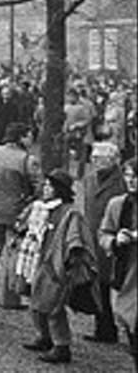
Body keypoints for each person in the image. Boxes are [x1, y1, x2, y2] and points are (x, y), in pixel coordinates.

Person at [19, 169, 96, 364]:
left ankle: (62, 346)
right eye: (44, 185)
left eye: (50, 186)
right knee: (36, 301)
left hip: (55, 265)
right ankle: (43, 336)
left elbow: (75, 238)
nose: (45, 188)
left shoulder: (70, 212)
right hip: (36, 260)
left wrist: (71, 262)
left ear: (59, 189)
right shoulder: (39, 207)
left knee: (53, 305)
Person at [0, 122, 41, 308]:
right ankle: (10, 298)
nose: (31, 138)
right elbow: (38, 187)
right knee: (13, 253)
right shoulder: (27, 160)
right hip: (16, 211)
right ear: (21, 137)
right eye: (29, 135)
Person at [82, 141, 126, 345]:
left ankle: (116, 328)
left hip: (115, 239)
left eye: (102, 159)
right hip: (93, 237)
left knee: (114, 284)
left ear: (113, 160)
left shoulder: (122, 181)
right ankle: (104, 328)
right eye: (94, 159)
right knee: (98, 285)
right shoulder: (89, 179)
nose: (97, 163)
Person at [98, 158, 137, 368]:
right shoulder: (118, 204)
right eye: (128, 176)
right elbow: (104, 234)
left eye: (135, 176)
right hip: (126, 275)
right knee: (131, 327)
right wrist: (114, 240)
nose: (131, 181)